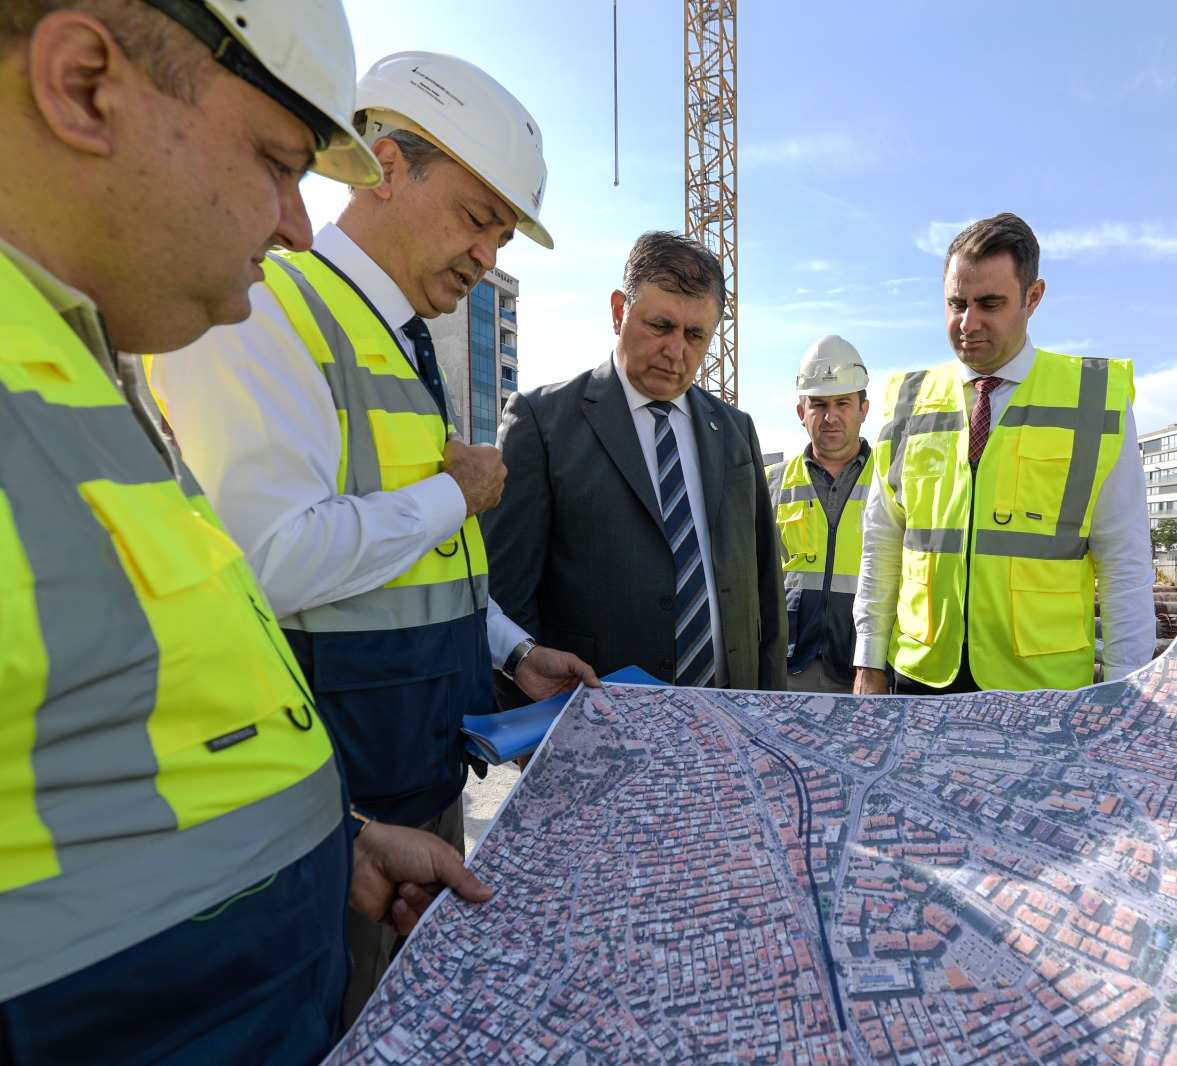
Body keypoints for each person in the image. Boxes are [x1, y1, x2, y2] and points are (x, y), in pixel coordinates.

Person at [0, 3, 490, 1063]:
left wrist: (338, 846)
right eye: (276, 162)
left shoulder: (88, 365)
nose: (298, 224)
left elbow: (142, 726)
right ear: (84, 83)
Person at [145, 49, 597, 1021]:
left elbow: (413, 566)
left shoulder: (399, 338)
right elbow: (265, 562)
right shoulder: (269, 309)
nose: (488, 257)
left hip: (420, 780)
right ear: (387, 165)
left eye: (503, 234)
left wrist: (513, 653)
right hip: (329, 817)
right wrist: (456, 497)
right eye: (480, 219)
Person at [853, 212, 1156, 695]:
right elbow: (883, 542)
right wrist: (868, 660)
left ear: (1032, 298)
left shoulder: (1094, 399)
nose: (968, 323)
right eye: (956, 303)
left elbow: (1125, 564)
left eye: (990, 303)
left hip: (1043, 688)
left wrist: (1124, 691)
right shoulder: (907, 399)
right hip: (921, 675)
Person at [483, 231, 786, 692]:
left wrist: (771, 713)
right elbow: (507, 597)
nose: (676, 350)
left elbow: (764, 589)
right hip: (595, 721)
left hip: (731, 717)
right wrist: (532, 726)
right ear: (619, 312)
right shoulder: (542, 422)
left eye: (696, 334)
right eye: (660, 326)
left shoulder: (735, 430)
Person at [767, 336, 873, 694]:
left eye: (843, 402)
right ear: (801, 413)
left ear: (864, 409)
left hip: (863, 668)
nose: (831, 416)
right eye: (818, 404)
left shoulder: (892, 481)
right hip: (787, 669)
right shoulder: (772, 482)